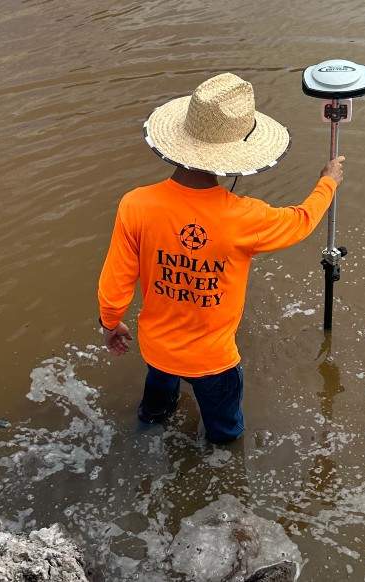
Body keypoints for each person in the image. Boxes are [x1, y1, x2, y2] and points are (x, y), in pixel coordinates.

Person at [97, 72, 345, 443]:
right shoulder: (245, 216)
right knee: (225, 434)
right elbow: (302, 221)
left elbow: (115, 280)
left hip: (158, 349)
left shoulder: (136, 204)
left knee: (153, 414)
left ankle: (144, 436)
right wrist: (328, 181)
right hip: (214, 360)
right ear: (233, 157)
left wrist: (110, 323)